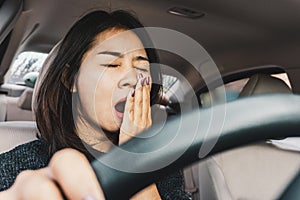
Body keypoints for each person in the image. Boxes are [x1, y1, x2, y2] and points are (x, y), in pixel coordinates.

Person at [0, 10, 191, 199]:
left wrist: (135, 159)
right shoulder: (22, 166)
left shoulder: (164, 170)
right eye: (112, 65)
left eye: (141, 67)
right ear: (70, 79)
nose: (132, 78)